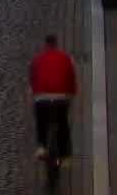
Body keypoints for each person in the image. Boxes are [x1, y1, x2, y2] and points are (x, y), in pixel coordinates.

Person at [29, 34, 77, 164]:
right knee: (63, 123)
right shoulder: (66, 58)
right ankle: (65, 155)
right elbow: (71, 78)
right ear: (56, 44)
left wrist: (33, 94)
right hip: (61, 97)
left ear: (45, 45)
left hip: (42, 97)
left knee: (41, 121)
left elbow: (32, 78)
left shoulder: (37, 59)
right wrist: (72, 95)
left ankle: (42, 146)